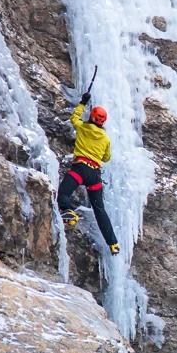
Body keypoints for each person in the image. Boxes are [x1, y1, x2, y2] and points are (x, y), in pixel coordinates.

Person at [58, 92, 120, 255]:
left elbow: (74, 117)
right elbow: (106, 158)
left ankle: (69, 211)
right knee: (99, 209)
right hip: (95, 175)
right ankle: (113, 243)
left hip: (80, 169)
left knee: (64, 192)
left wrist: (83, 102)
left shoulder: (83, 127)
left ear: (92, 117)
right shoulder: (105, 139)